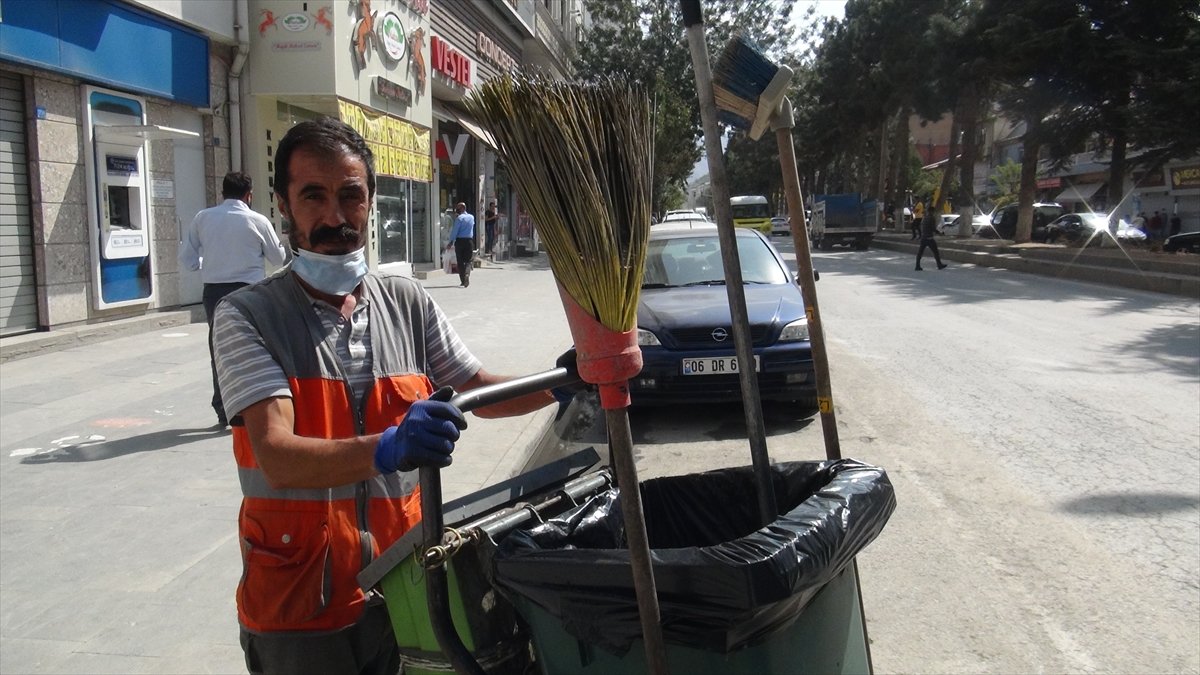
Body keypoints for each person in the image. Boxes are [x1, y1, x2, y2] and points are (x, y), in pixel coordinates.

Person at [211, 117, 564, 674]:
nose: (334, 216)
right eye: (314, 196)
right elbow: (276, 455)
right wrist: (389, 447)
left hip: (407, 591)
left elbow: (476, 389)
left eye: (350, 195)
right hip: (299, 606)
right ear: (282, 203)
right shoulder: (247, 316)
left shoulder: (407, 302)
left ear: (371, 200)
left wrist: (562, 384)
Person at [178, 171, 287, 427]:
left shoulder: (202, 218)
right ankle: (252, 403)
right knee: (255, 348)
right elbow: (278, 259)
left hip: (214, 292)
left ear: (222, 193)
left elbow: (187, 259)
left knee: (220, 349)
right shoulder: (257, 220)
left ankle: (223, 408)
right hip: (250, 291)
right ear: (248, 195)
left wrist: (208, 263)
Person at [448, 202, 476, 287]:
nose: (457, 210)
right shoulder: (471, 217)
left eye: (458, 208)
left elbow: (455, 231)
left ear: (463, 208)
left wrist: (451, 242)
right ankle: (467, 273)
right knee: (468, 260)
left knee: (460, 261)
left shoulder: (459, 218)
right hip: (469, 241)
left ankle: (463, 280)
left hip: (460, 241)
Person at [915, 207, 947, 271]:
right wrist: (939, 233)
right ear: (932, 211)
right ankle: (939, 264)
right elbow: (933, 228)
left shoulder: (925, 218)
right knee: (935, 252)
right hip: (929, 238)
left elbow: (921, 226)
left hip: (923, 237)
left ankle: (917, 266)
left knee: (920, 252)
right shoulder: (932, 218)